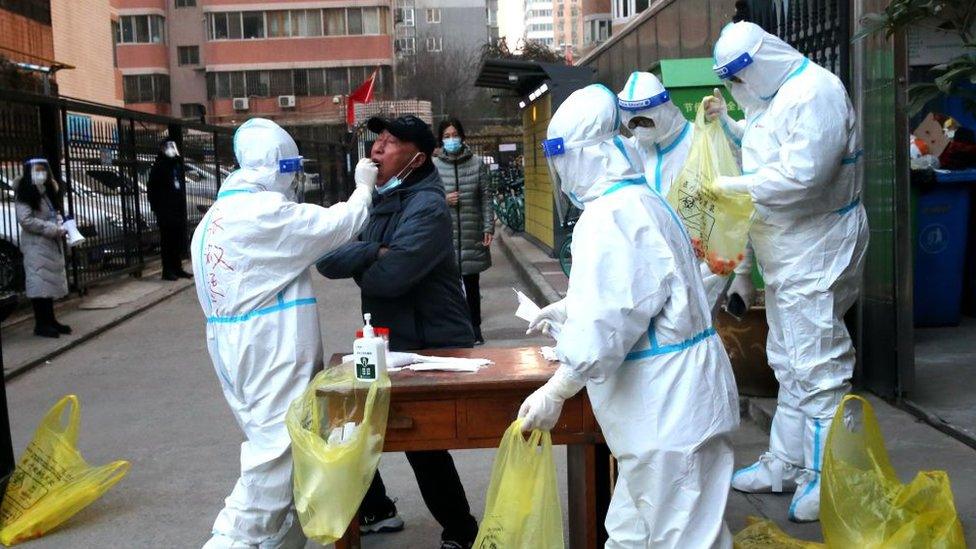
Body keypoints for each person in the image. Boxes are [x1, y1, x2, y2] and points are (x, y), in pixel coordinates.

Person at [521, 84, 739, 548]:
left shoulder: (611, 215)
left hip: (669, 410)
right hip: (664, 410)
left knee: (684, 537)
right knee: (630, 534)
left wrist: (557, 390)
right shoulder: (634, 200)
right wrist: (568, 307)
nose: (561, 175)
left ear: (583, 156)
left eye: (561, 161)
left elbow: (607, 325)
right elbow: (645, 292)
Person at [707, 21, 869, 522]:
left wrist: (732, 187)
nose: (739, 89)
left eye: (739, 78)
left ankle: (829, 478)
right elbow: (766, 141)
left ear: (761, 61)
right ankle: (786, 463)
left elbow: (803, 176)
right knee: (787, 357)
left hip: (816, 247)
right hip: (788, 251)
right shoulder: (775, 96)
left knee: (817, 362)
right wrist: (730, 123)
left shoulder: (815, 92)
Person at [191, 118, 375, 548]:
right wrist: (363, 188)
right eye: (292, 168)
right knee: (272, 462)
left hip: (238, 348)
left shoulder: (215, 218)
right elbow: (335, 226)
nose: (295, 180)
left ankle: (278, 542)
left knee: (287, 457)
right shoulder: (260, 214)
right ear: (277, 165)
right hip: (267, 347)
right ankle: (230, 540)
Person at [317, 115, 479, 549]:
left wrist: (365, 260)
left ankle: (461, 531)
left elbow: (388, 279)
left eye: (388, 143)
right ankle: (378, 508)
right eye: (378, 142)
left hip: (429, 339)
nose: (376, 150)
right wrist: (374, 248)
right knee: (354, 422)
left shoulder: (425, 205)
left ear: (417, 157)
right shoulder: (382, 198)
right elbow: (326, 259)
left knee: (421, 442)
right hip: (392, 338)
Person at [616, 71, 751, 309]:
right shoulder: (631, 152)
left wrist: (743, 272)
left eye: (645, 120)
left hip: (703, 271)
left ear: (663, 109)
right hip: (651, 272)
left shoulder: (700, 144)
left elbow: (733, 209)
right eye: (633, 123)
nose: (639, 129)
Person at [433, 117, 494, 344]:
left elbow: (486, 197)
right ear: (440, 140)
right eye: (446, 136)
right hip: (446, 234)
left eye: (454, 135)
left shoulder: (477, 163)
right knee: (449, 286)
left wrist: (488, 226)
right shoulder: (435, 166)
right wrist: (443, 200)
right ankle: (455, 329)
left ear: (462, 136)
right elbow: (428, 199)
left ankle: (475, 329)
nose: (451, 140)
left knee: (471, 282)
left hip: (471, 230)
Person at [15, 158, 71, 338]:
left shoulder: (46, 192)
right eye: (37, 170)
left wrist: (62, 224)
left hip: (49, 243)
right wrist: (52, 228)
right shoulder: (24, 194)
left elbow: (53, 214)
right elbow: (26, 220)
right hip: (36, 245)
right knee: (39, 283)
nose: (41, 174)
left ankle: (51, 320)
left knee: (48, 283)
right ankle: (41, 324)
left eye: (43, 170)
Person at [148, 139, 192, 281]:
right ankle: (168, 270)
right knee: (167, 241)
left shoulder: (176, 165)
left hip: (177, 208)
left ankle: (177, 268)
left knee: (177, 239)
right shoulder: (159, 167)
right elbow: (152, 190)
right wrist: (158, 209)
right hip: (165, 211)